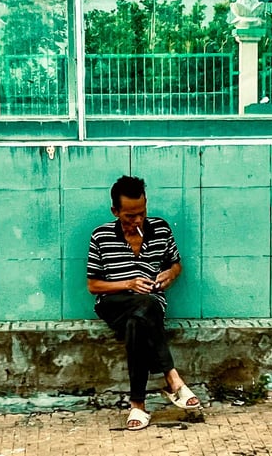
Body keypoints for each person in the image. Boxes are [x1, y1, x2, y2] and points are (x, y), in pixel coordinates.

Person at [87, 175, 200, 431]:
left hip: (149, 304)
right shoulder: (101, 235)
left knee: (138, 320)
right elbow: (94, 285)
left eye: (141, 213)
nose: (137, 220)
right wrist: (129, 283)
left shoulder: (160, 229)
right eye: (129, 216)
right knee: (142, 306)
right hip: (114, 303)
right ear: (115, 211)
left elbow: (176, 264)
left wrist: (170, 274)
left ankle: (137, 405)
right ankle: (172, 378)